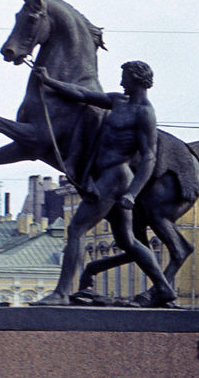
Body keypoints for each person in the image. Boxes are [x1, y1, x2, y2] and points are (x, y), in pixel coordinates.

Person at [32, 61, 176, 307]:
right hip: (106, 176)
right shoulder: (118, 102)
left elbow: (149, 157)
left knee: (76, 229)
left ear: (138, 79)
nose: (121, 83)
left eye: (125, 78)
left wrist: (133, 193)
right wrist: (48, 81)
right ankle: (163, 288)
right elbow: (83, 94)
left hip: (116, 177)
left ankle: (62, 293)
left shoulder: (144, 112)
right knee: (127, 241)